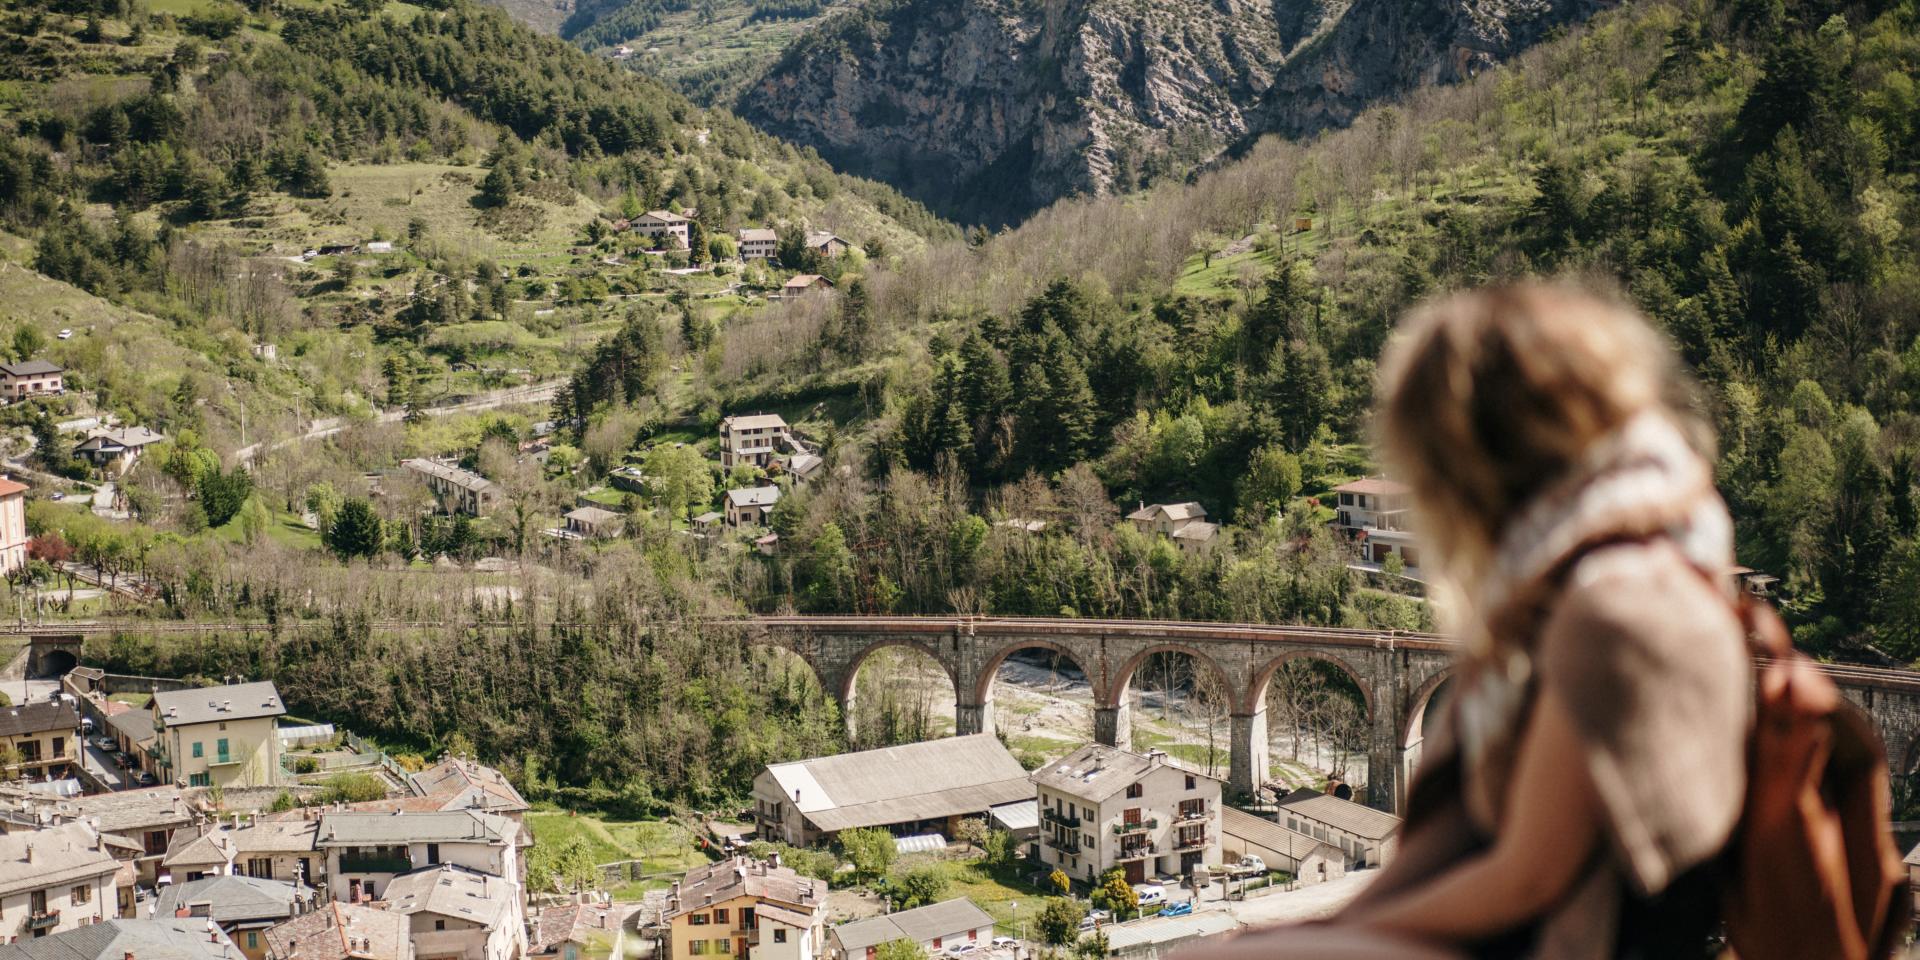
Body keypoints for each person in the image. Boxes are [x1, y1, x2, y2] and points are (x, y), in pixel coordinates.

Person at [1189, 285, 1750, 959]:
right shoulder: (1547, 591)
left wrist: (1310, 942)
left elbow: (1528, 879)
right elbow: (1435, 853)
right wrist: (1301, 932)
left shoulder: (1618, 607)